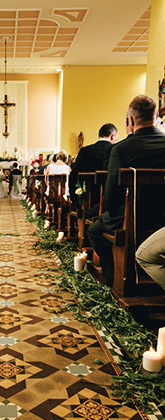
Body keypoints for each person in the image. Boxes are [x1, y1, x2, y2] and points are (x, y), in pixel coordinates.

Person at [87, 95, 165, 286]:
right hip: (162, 221)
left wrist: (110, 213)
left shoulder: (121, 149)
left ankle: (115, 275)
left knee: (94, 231)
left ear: (129, 120)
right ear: (155, 117)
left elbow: (111, 195)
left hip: (129, 218)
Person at [69, 123, 118, 203]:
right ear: (112, 136)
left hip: (88, 200)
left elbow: (74, 175)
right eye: (116, 140)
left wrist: (75, 200)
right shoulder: (116, 151)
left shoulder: (85, 151)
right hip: (112, 200)